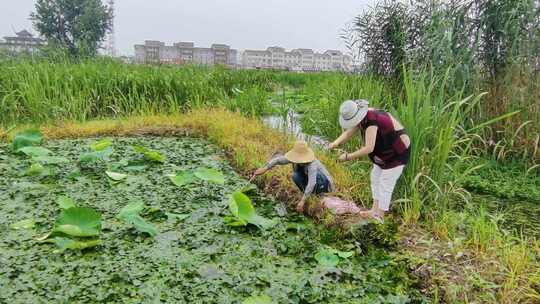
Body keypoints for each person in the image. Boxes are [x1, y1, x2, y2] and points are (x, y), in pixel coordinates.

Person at [327, 100, 410, 223]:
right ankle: (374, 210)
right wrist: (334, 143)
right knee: (375, 177)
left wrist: (347, 157)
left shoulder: (371, 120)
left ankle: (380, 216)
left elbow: (369, 148)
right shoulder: (362, 118)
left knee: (385, 183)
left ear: (357, 115)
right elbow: (349, 133)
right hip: (384, 152)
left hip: (397, 151)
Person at [252, 140, 335, 213]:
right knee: (295, 176)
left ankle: (320, 194)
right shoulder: (295, 159)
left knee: (316, 176)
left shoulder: (312, 164)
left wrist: (302, 201)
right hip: (313, 182)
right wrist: (265, 168)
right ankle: (310, 195)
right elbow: (278, 160)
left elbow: (312, 183)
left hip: (325, 183)